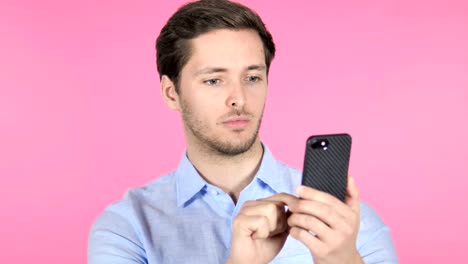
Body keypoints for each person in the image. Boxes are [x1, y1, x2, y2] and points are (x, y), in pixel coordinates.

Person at [88, 0, 398, 263]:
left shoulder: (346, 224)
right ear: (172, 93)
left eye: (252, 77)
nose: (238, 97)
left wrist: (343, 260)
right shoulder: (127, 227)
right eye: (214, 80)